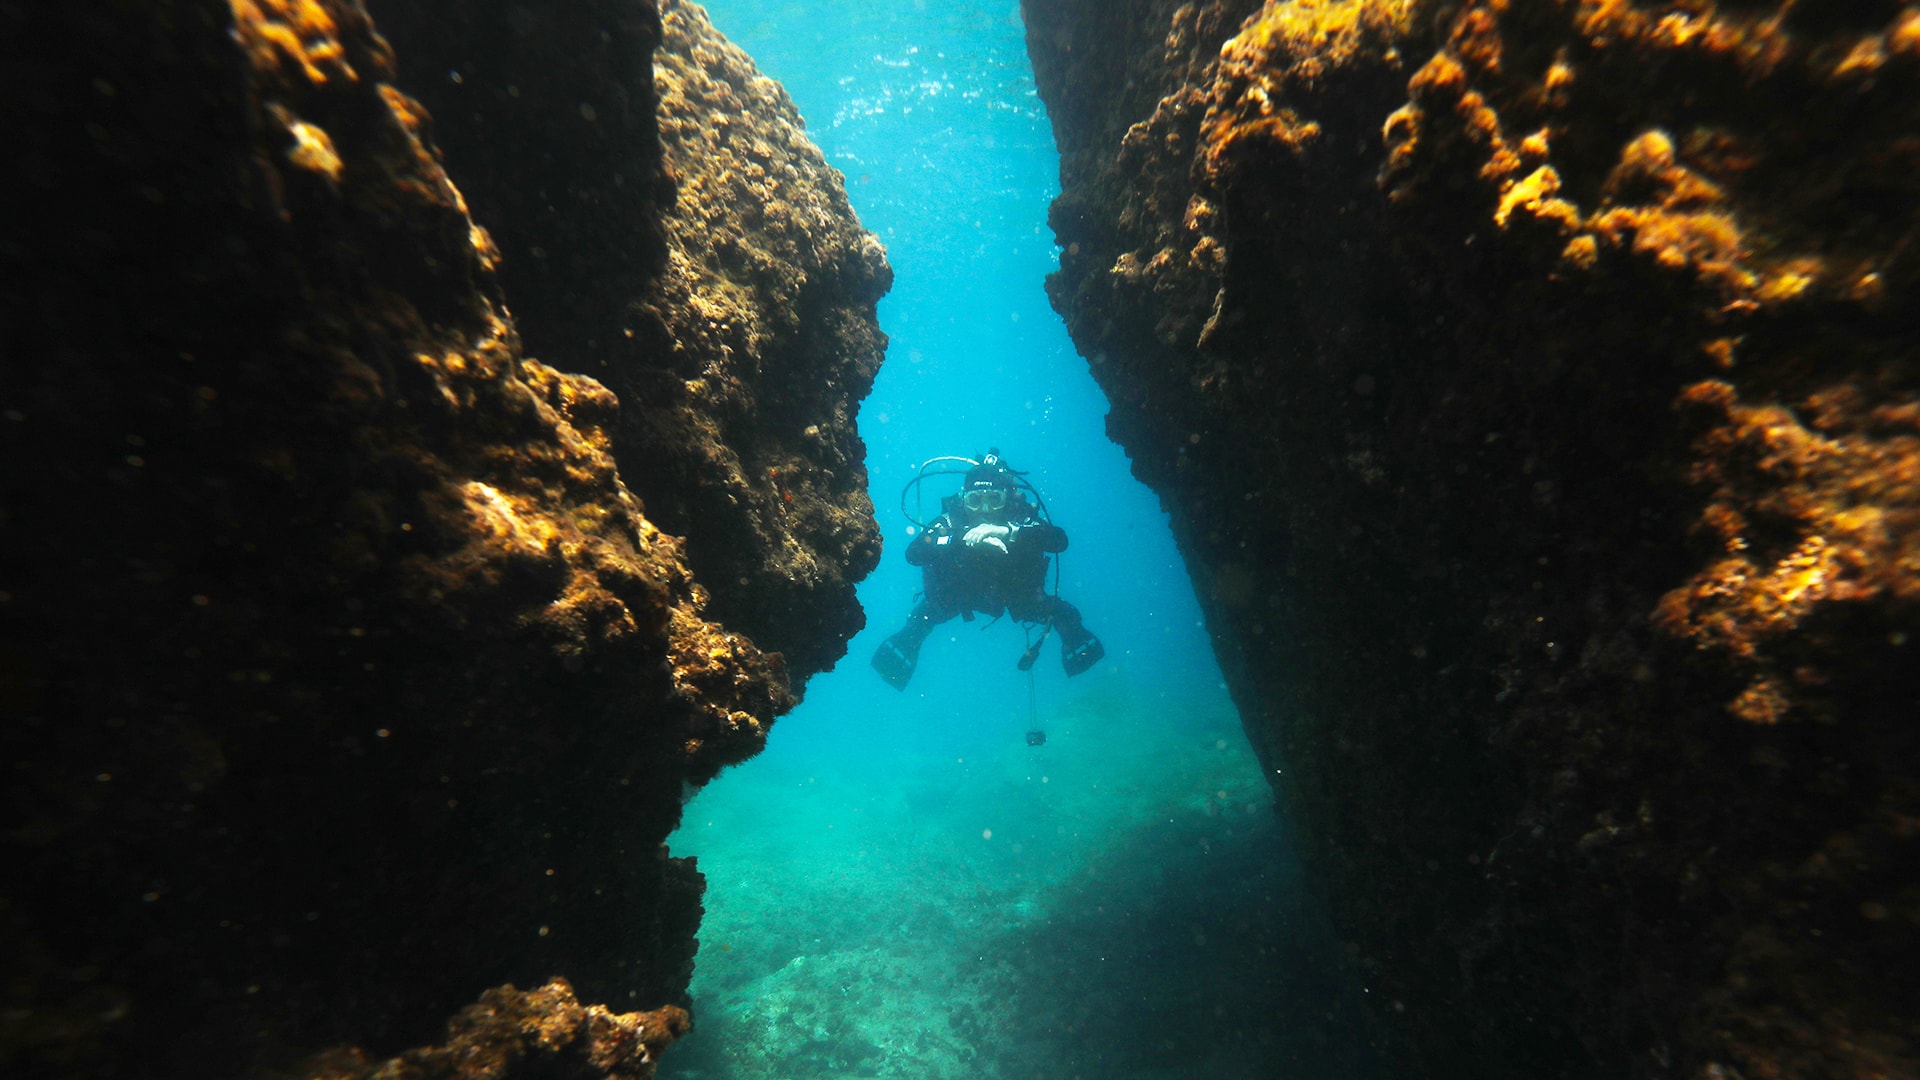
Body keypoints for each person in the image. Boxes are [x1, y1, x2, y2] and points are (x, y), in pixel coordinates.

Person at [871, 451, 1105, 690]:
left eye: (994, 499)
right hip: (959, 594)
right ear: (963, 500)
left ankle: (1075, 641)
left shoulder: (1021, 517)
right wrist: (962, 539)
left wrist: (1009, 532)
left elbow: (1059, 541)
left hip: (1018, 596)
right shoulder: (950, 521)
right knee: (921, 619)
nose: (984, 508)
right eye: (975, 500)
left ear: (1007, 498)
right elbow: (914, 553)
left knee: (1062, 613)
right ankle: (905, 648)